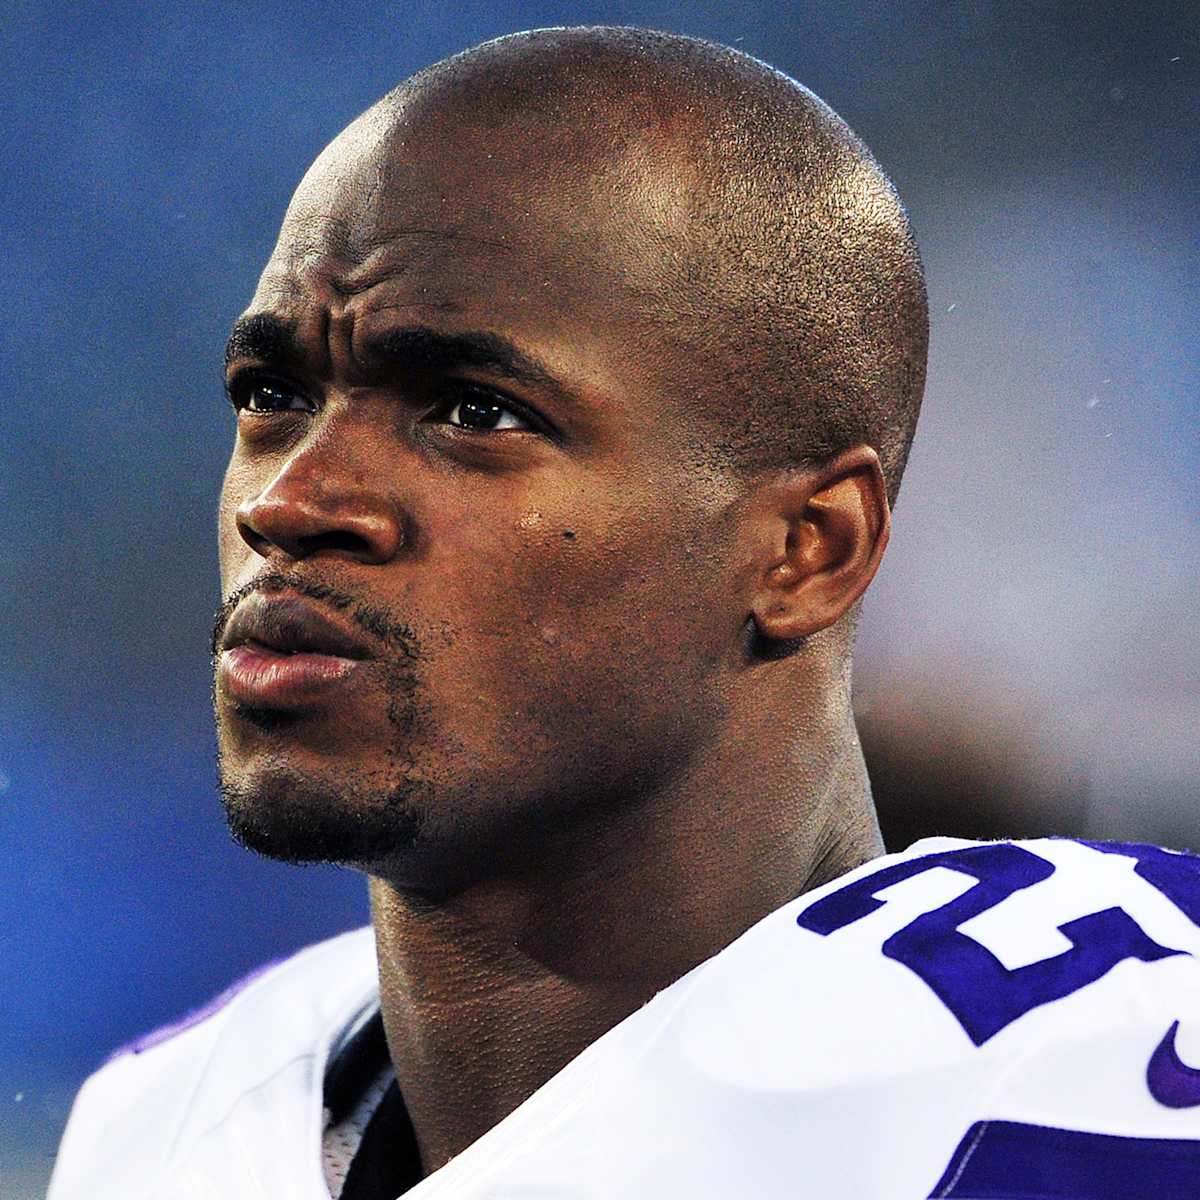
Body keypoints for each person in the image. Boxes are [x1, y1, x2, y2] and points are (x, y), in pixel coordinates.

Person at [50, 27, 1200, 1199]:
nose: (290, 500)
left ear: (810, 547)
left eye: (473, 412)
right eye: (273, 395)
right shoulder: (167, 1130)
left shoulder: (1089, 1073)